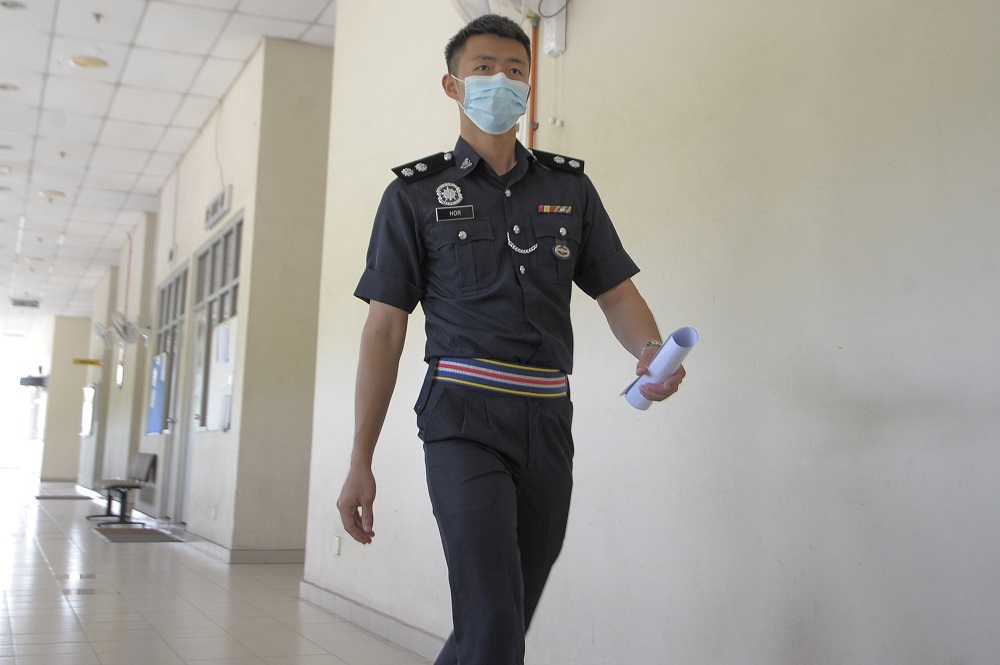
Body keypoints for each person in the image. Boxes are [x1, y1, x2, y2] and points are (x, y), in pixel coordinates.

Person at [337, 14, 686, 665]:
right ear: (452, 84)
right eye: (484, 69)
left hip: (548, 422)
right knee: (494, 620)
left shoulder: (570, 189)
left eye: (516, 70)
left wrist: (648, 351)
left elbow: (615, 291)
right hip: (462, 417)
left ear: (531, 85)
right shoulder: (413, 195)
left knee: (497, 625)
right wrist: (361, 457)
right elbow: (384, 328)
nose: (502, 80)